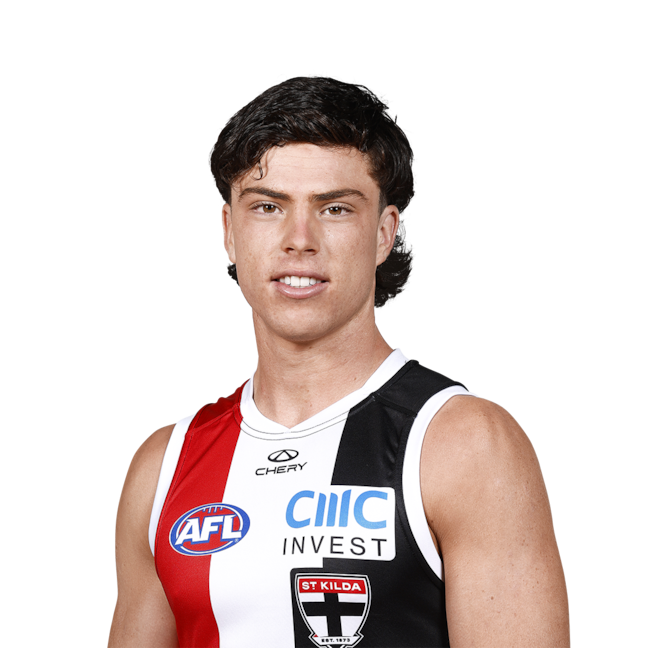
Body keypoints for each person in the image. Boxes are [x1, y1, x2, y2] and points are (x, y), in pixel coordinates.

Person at [108, 71, 571, 647]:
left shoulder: (465, 443)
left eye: (335, 209)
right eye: (268, 206)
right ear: (228, 231)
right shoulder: (163, 464)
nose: (299, 239)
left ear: (384, 233)